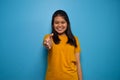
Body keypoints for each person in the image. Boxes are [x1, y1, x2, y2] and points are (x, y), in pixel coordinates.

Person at [43, 10, 82, 80]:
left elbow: (78, 63)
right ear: (53, 24)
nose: (60, 25)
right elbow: (47, 44)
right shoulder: (49, 37)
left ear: (67, 23)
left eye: (63, 22)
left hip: (71, 77)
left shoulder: (75, 39)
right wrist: (47, 44)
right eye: (56, 23)